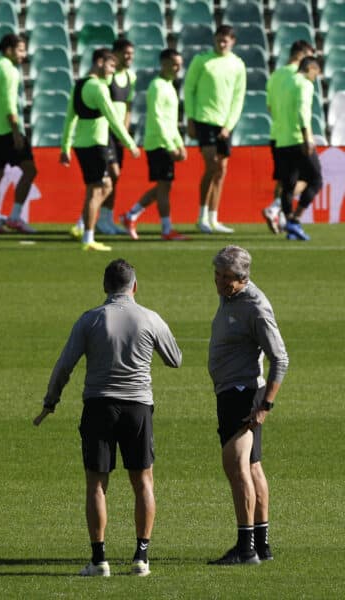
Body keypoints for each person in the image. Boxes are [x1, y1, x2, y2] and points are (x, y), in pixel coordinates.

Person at [34, 258, 182, 577]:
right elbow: (175, 359)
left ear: (104, 286)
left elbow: (64, 366)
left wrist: (51, 401)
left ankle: (99, 560)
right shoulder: (149, 318)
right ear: (135, 286)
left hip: (99, 407)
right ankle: (141, 557)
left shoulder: (90, 320)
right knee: (143, 481)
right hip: (138, 407)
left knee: (96, 484)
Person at [208, 246, 288, 565]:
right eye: (217, 275)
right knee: (252, 468)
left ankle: (245, 549)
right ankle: (262, 546)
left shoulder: (255, 306)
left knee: (236, 467)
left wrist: (265, 404)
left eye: (227, 278)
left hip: (242, 394)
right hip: (232, 392)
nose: (220, 283)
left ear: (243, 278)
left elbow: (280, 358)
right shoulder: (231, 297)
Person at [61, 49, 140, 252]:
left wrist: (66, 147)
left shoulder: (78, 85)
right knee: (100, 188)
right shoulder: (98, 88)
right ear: (99, 62)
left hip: (81, 144)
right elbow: (113, 118)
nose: (113, 71)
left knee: (98, 188)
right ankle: (88, 236)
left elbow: (70, 118)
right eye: (111, 65)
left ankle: (83, 228)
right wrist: (130, 143)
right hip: (96, 144)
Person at [120, 49, 188, 241]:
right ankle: (166, 228)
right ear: (164, 63)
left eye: (179, 64)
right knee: (164, 186)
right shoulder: (157, 86)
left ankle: (131, 215)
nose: (178, 68)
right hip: (158, 143)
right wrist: (170, 146)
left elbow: (171, 121)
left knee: (163, 186)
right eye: (174, 64)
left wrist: (180, 144)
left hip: (164, 142)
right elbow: (158, 119)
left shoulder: (169, 86)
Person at [184, 25, 246, 234]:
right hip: (204, 119)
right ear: (214, 40)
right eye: (219, 40)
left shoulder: (238, 64)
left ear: (233, 41)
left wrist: (229, 124)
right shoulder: (202, 60)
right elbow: (189, 89)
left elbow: (238, 97)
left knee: (221, 171)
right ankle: (201, 216)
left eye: (226, 40)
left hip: (224, 123)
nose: (222, 43)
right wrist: (190, 118)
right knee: (211, 166)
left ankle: (214, 217)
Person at [0, 33, 37, 233]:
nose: (24, 54)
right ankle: (14, 217)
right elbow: (9, 103)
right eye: (21, 50)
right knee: (30, 170)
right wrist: (15, 131)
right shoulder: (10, 71)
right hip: (8, 129)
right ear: (9, 49)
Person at [262, 40, 314, 235]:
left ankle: (282, 215)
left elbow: (269, 107)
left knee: (285, 180)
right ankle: (276, 208)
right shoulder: (300, 76)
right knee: (309, 178)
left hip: (277, 134)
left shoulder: (275, 75)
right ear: (302, 54)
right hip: (295, 135)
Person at [274, 56, 322, 241]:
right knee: (316, 179)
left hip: (281, 140)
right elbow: (303, 111)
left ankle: (290, 226)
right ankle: (295, 219)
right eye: (315, 73)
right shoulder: (304, 84)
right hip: (297, 139)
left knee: (288, 185)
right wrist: (307, 138)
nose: (315, 78)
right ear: (310, 67)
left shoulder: (285, 82)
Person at [95, 38, 137, 235]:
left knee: (115, 178)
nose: (129, 57)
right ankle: (88, 220)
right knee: (111, 175)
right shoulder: (108, 78)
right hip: (106, 133)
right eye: (126, 53)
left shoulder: (130, 77)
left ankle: (106, 219)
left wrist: (125, 131)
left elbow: (127, 107)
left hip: (119, 134)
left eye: (131, 54)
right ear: (116, 54)